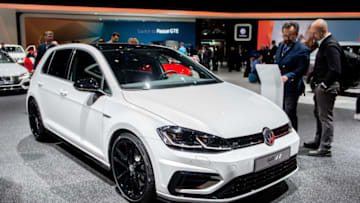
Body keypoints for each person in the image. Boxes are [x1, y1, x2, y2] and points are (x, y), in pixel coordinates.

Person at [303, 19, 342, 157]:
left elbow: (335, 69)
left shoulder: (330, 45)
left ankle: (325, 148)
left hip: (327, 87)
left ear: (322, 31)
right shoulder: (325, 44)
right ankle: (318, 141)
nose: (313, 35)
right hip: (322, 86)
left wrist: (324, 86)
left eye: (314, 33)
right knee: (319, 115)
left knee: (325, 118)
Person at [275, 21, 310, 132]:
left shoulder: (302, 50)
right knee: (279, 111)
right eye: (284, 35)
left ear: (296, 34)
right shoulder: (281, 45)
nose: (286, 38)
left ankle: (293, 134)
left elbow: (302, 69)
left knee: (289, 111)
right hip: (279, 85)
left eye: (289, 35)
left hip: (292, 86)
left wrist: (288, 76)